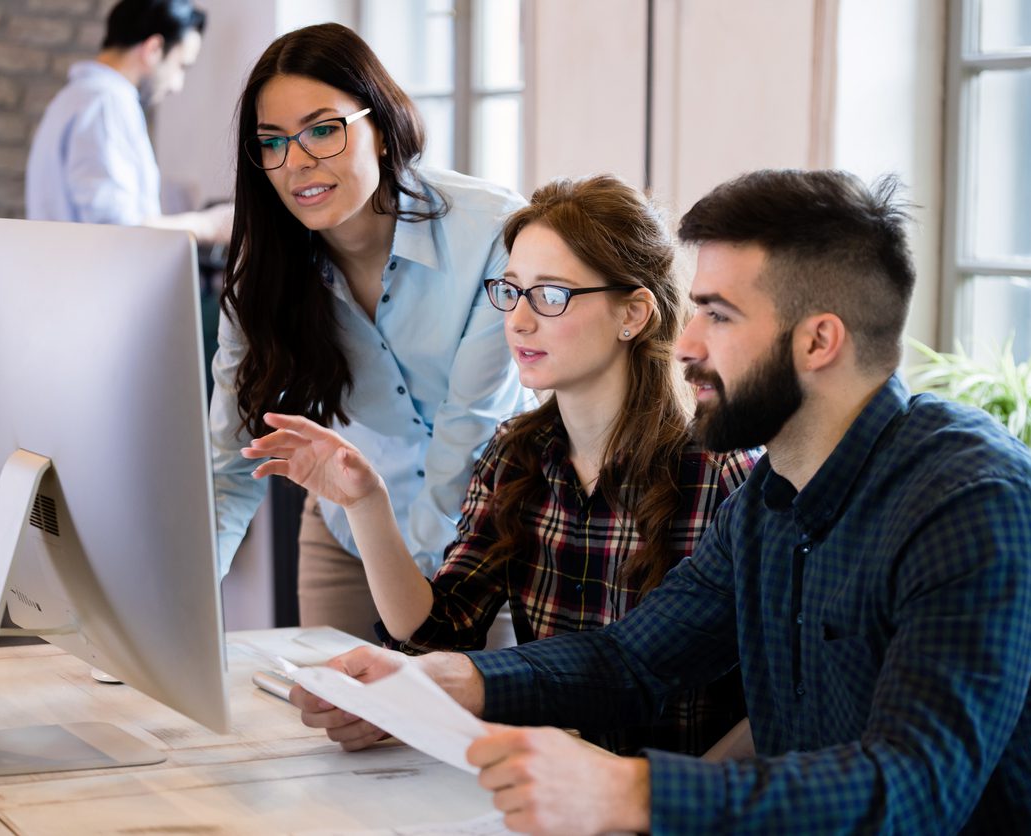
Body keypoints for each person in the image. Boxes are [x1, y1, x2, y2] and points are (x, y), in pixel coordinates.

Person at [289, 170, 1031, 834]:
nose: (686, 344)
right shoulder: (770, 497)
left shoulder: (975, 503)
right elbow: (631, 662)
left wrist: (632, 790)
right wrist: (448, 677)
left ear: (818, 340)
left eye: (719, 316)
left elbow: (911, 791)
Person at [244, 174, 760, 756]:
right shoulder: (517, 454)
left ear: (633, 313)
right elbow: (438, 630)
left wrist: (667, 802)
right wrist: (366, 502)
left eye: (551, 295)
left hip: (680, 798)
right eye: (510, 291)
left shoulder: (724, 474)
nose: (517, 320)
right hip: (554, 787)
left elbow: (769, 705)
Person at [211, 24, 528, 642]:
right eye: (271, 142)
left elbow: (470, 437)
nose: (296, 162)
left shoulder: (491, 232)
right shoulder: (266, 278)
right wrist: (177, 613)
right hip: (347, 532)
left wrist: (415, 617)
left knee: (462, 734)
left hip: (486, 543)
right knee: (324, 730)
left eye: (323, 130)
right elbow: (229, 465)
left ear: (380, 128)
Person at [26, 0, 227, 240]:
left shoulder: (75, 98)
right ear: (153, 49)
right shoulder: (106, 104)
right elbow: (119, 232)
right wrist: (209, 225)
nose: (177, 85)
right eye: (181, 66)